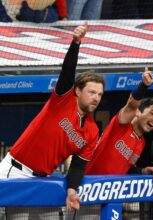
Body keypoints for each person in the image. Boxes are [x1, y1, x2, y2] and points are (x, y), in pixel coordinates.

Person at [0, 22, 105, 219]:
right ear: (78, 91)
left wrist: (72, 189)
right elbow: (67, 72)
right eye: (91, 92)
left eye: (100, 94)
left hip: (44, 180)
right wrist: (75, 44)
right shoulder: (63, 101)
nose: (96, 98)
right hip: (16, 173)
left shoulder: (92, 130)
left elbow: (78, 166)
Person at [67, 68, 153, 218]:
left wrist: (143, 171)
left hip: (110, 198)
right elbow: (131, 105)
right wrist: (143, 85)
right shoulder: (121, 125)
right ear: (138, 112)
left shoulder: (142, 142)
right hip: (86, 193)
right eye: (152, 113)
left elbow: (126, 168)